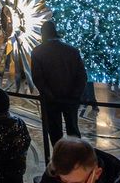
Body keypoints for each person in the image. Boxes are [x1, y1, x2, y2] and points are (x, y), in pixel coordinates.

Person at [29, 20, 87, 148]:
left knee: (55, 133)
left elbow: (37, 78)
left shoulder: (38, 52)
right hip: (70, 99)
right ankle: (77, 157)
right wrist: (74, 96)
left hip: (51, 101)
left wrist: (50, 95)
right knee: (73, 130)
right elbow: (82, 77)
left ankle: (58, 158)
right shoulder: (72, 51)